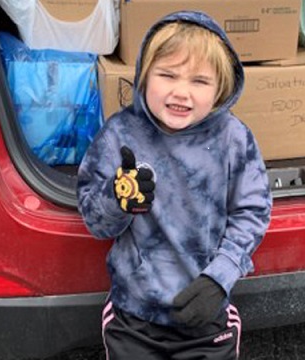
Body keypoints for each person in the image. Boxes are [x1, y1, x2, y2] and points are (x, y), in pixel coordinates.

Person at [77, 10, 272, 360]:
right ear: (144, 75)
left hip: (207, 318)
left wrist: (220, 277)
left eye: (200, 81)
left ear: (220, 88)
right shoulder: (120, 135)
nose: (181, 92)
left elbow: (252, 212)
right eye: (167, 75)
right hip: (134, 318)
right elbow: (95, 222)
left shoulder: (234, 139)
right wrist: (117, 199)